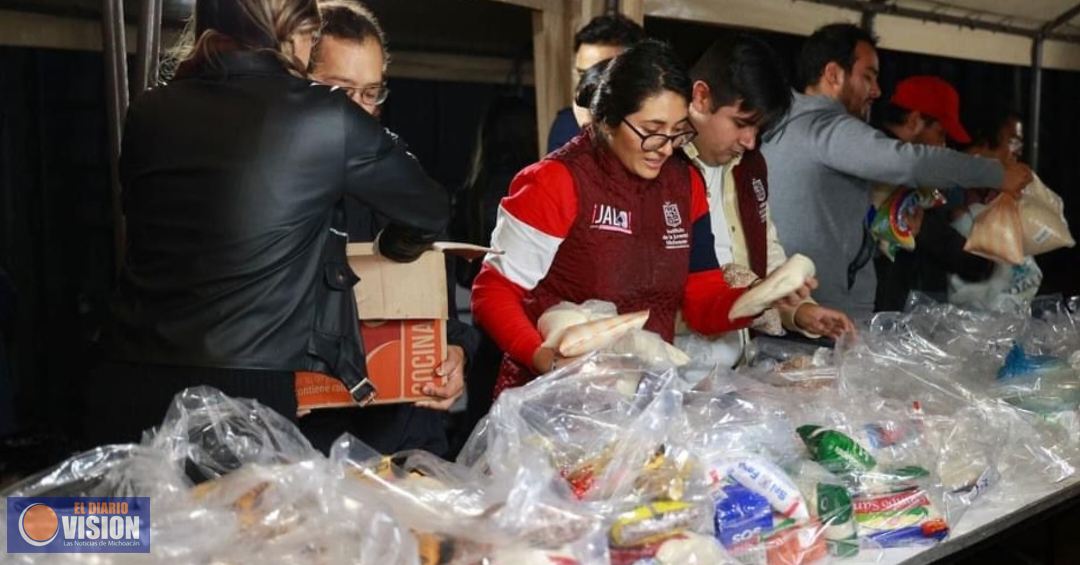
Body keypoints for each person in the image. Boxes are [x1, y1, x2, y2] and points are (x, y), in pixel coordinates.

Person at [87, 0, 448, 445]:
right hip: (242, 400)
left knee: (131, 517)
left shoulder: (149, 110)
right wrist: (396, 245)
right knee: (236, 516)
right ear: (301, 36)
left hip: (125, 382)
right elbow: (430, 209)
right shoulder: (323, 116)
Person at [472, 40, 815, 398]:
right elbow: (493, 292)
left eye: (677, 131)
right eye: (652, 131)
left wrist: (760, 297)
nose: (666, 148)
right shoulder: (556, 182)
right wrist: (543, 357)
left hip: (644, 403)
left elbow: (701, 303)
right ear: (608, 121)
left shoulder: (685, 184)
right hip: (555, 397)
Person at [300, 0, 479, 456]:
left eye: (371, 94)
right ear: (297, 80)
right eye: (341, 93)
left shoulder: (407, 180)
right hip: (304, 454)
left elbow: (444, 320)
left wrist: (454, 358)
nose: (359, 112)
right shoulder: (269, 182)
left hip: (405, 447)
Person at [761, 23, 1033, 322]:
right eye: (868, 77)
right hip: (823, 316)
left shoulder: (783, 125)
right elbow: (910, 163)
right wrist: (997, 173)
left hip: (800, 309)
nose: (876, 91)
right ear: (833, 75)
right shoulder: (826, 128)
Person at [679, 35, 854, 367]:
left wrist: (800, 311)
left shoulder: (750, 167)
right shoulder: (662, 168)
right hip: (674, 365)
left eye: (758, 129)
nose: (749, 141)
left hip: (735, 362)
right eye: (741, 124)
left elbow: (764, 252)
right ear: (701, 97)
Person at [870, 76, 996, 311]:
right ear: (915, 120)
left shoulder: (920, 183)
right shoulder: (882, 168)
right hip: (866, 317)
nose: (943, 146)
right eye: (941, 133)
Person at [949, 108, 1043, 310]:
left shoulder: (1001, 196)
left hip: (995, 321)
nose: (1018, 151)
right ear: (982, 142)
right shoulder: (944, 190)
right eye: (1013, 141)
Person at [546, 14, 645, 153]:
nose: (585, 85)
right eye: (581, 74)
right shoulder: (567, 125)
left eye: (599, 74)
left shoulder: (659, 129)